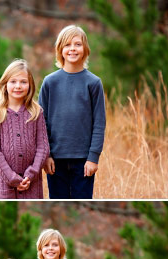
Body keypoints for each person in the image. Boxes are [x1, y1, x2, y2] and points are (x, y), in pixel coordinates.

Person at [39, 25, 106, 199]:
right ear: (60, 50)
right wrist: (46, 155)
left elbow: (99, 123)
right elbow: (41, 123)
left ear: (85, 49)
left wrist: (93, 157)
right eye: (67, 45)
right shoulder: (49, 82)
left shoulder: (93, 83)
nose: (72, 49)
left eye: (77, 44)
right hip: (55, 160)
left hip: (83, 160)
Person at [0, 59, 49, 199]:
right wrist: (11, 177)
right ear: (5, 84)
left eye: (23, 82)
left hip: (32, 184)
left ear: (30, 85)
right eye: (13, 81)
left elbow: (43, 147)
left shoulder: (36, 112)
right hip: (5, 184)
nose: (18, 86)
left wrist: (31, 174)